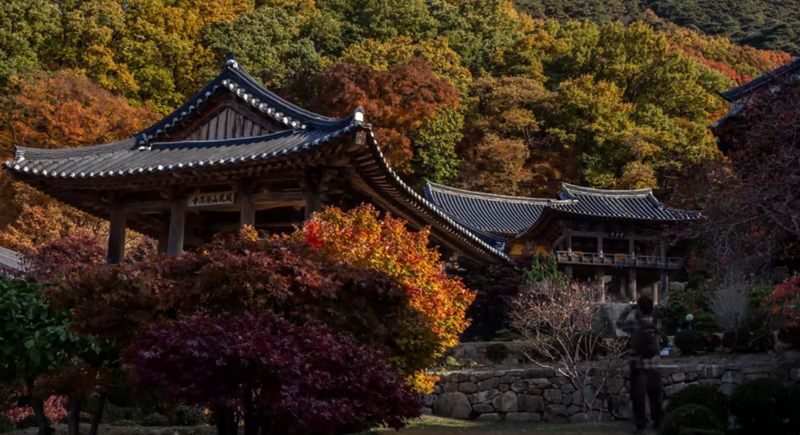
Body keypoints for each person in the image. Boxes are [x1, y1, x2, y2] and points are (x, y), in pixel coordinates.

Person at [617, 295, 663, 435]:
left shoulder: (634, 321)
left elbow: (620, 324)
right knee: (656, 396)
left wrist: (628, 309)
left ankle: (641, 425)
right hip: (654, 364)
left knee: (638, 397)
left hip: (638, 364)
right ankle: (658, 422)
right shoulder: (656, 321)